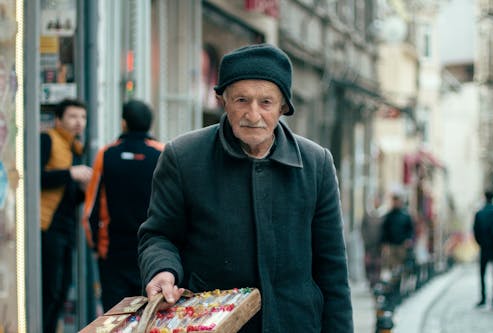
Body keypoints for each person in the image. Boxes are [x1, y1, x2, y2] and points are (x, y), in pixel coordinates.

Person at [137, 43, 353, 332]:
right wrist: (162, 269)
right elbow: (159, 235)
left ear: (283, 107)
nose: (253, 114)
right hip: (212, 324)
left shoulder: (316, 164)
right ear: (223, 101)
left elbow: (332, 270)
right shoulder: (183, 157)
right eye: (242, 100)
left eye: (266, 102)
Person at [82, 100, 164, 311]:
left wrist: (96, 247)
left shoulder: (106, 154)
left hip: (113, 253)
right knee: (150, 315)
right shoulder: (162, 154)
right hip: (152, 252)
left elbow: (89, 211)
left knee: (115, 316)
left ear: (123, 123)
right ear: (149, 125)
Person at [40, 98, 92, 333]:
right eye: (72, 116)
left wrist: (82, 190)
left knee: (62, 289)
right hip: (46, 226)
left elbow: (70, 195)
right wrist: (70, 173)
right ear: (59, 120)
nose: (78, 122)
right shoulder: (47, 139)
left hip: (67, 226)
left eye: (82, 117)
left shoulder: (76, 148)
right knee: (50, 289)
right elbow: (36, 178)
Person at [473, 190, 493, 309]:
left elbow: (476, 232)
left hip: (484, 247)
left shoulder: (480, 213)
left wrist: (481, 243)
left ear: (485, 198)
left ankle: (483, 298)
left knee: (482, 274)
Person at [379, 189, 415, 280]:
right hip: (391, 245)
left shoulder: (405, 216)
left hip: (402, 245)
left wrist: (409, 239)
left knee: (401, 266)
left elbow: (410, 230)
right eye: (394, 201)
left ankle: (400, 284)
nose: (395, 203)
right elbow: (384, 230)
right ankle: (393, 286)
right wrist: (384, 244)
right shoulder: (389, 216)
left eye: (397, 201)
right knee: (392, 267)